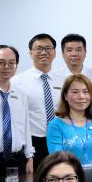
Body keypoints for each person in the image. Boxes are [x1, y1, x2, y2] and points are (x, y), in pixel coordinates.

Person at [0, 44, 34, 181]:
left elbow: (26, 127)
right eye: (1, 62)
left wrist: (30, 157)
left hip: (18, 158)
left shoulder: (20, 94)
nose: (7, 67)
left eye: (12, 63)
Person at [13, 33, 64, 165]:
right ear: (30, 53)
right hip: (33, 141)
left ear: (54, 53)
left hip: (60, 138)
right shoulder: (17, 81)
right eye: (39, 48)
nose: (44, 52)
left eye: (48, 48)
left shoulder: (64, 80)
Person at [47, 74, 92, 168]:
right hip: (70, 179)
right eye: (75, 92)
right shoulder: (55, 125)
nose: (81, 96)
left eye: (86, 92)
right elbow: (57, 161)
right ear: (65, 96)